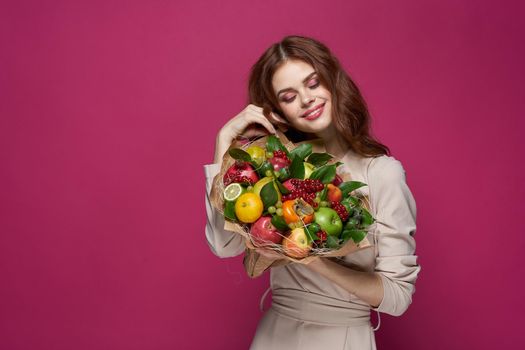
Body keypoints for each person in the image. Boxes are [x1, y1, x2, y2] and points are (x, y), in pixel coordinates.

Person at [203, 35, 420, 350]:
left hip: (344, 338)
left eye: (314, 83)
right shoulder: (276, 167)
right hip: (275, 335)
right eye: (289, 96)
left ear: (332, 81)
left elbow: (398, 297)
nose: (306, 99)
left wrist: (311, 259)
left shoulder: (381, 174)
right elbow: (225, 246)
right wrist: (223, 144)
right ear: (277, 111)